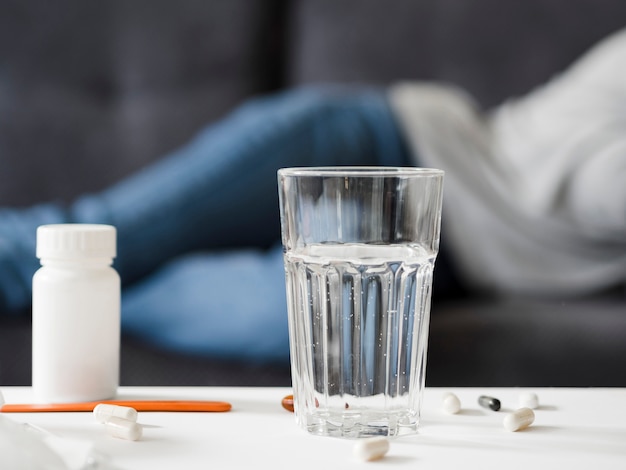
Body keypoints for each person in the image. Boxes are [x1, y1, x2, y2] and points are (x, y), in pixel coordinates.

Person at [1, 28, 625, 365]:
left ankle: (87, 295)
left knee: (309, 327)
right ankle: (68, 281)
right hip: (383, 143)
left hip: (448, 256)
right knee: (92, 233)